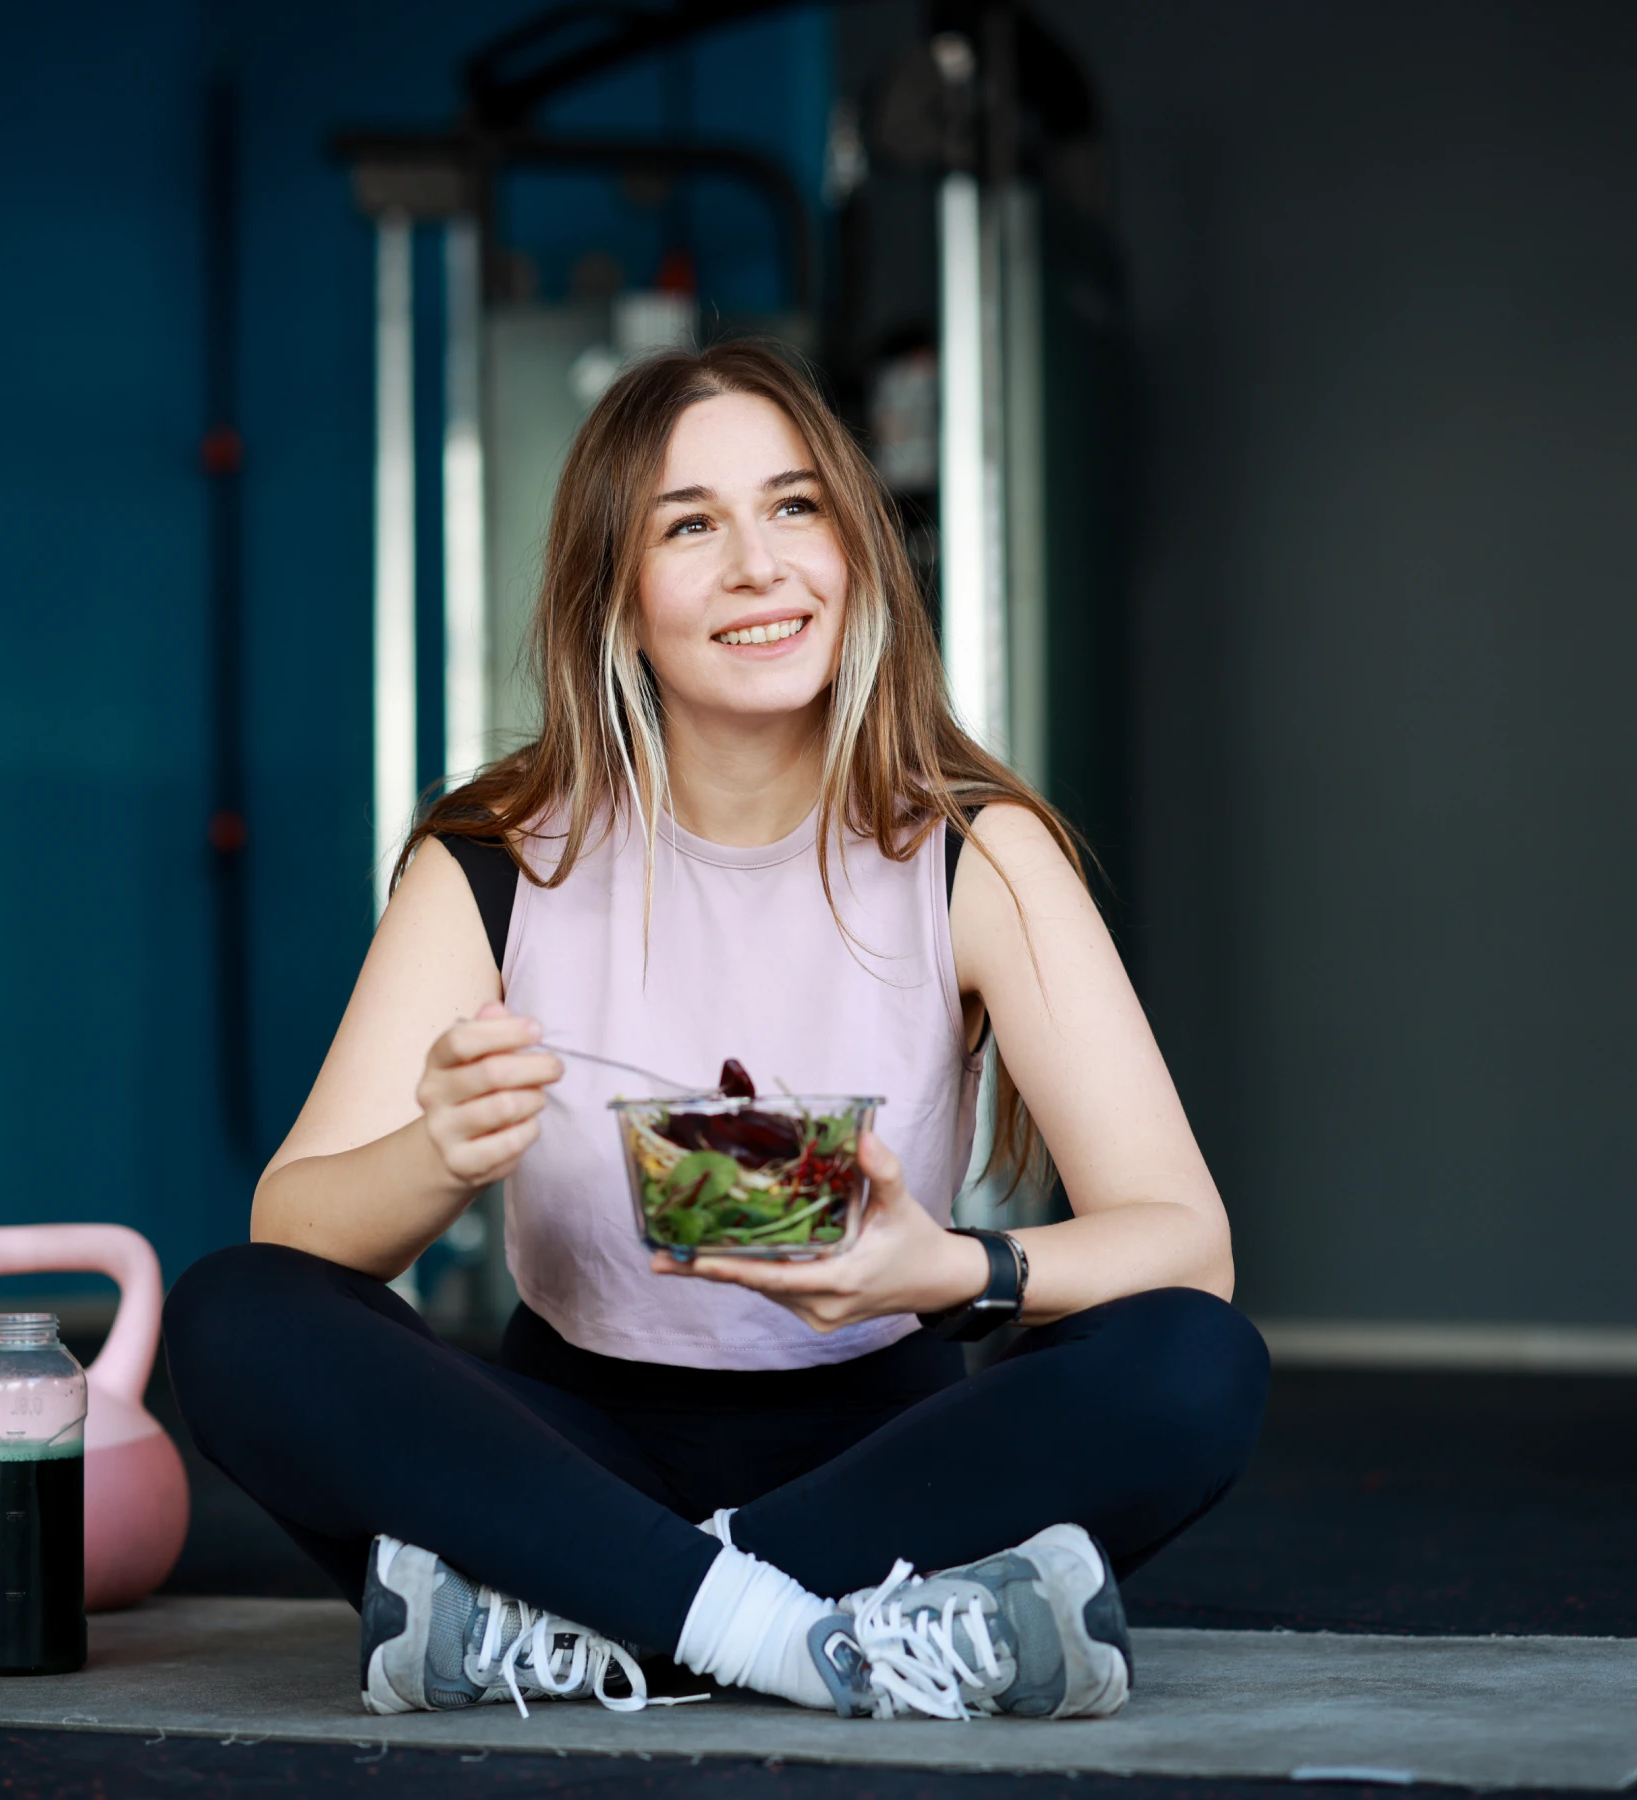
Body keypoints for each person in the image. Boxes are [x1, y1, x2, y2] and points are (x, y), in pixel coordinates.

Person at [164, 341, 1268, 1724]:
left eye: (798, 508)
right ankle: (841, 1635)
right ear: (616, 602)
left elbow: (1187, 1242)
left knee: (1195, 1361)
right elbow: (297, 1232)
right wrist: (436, 1155)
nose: (761, 565)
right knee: (230, 1316)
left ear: (857, 552)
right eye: (691, 526)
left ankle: (588, 1622)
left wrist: (946, 1267)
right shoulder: (495, 855)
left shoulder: (975, 848)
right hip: (570, 1449)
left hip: (890, 1444)